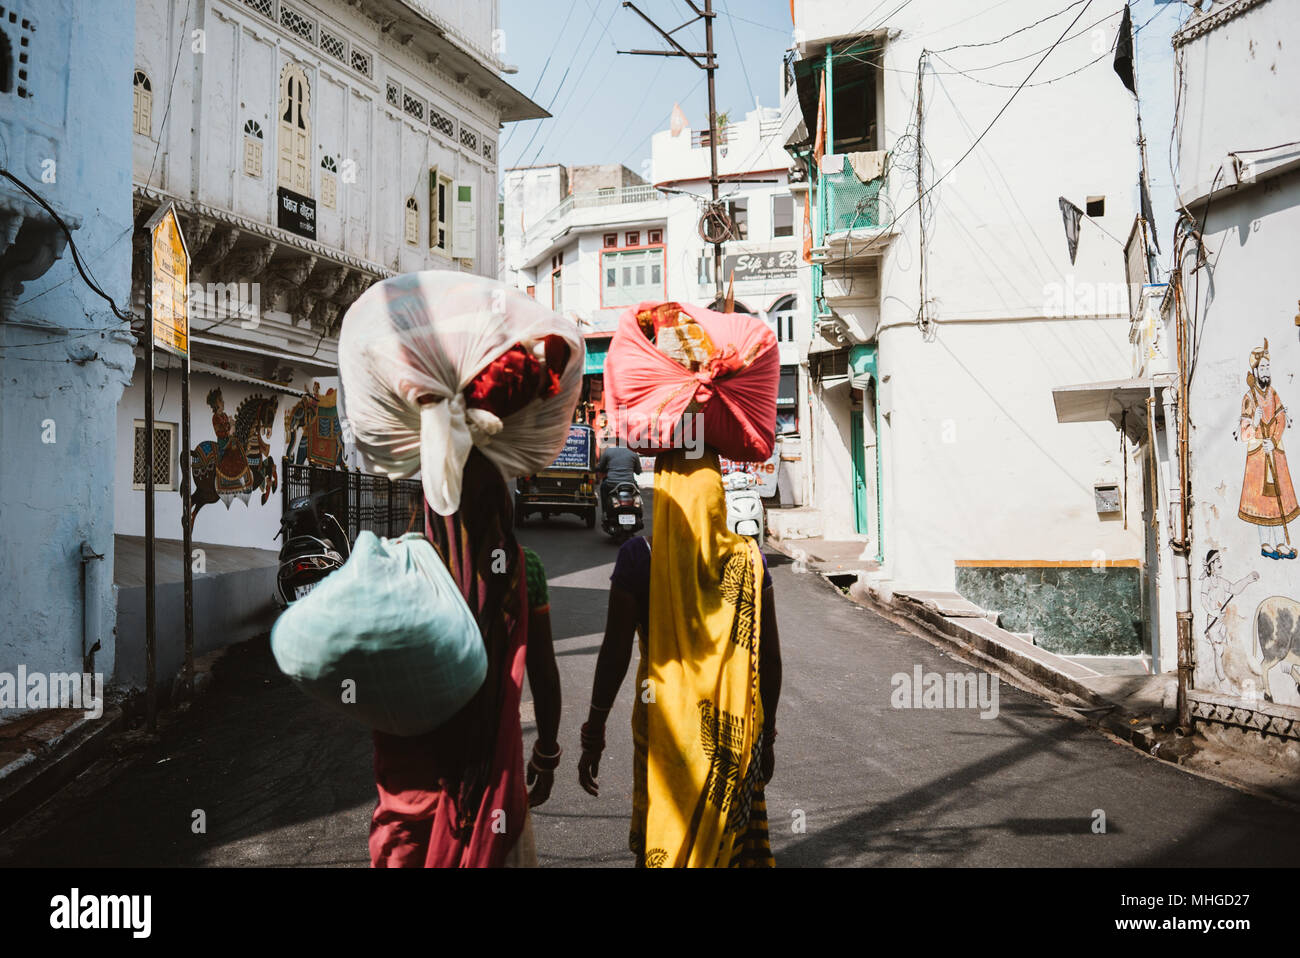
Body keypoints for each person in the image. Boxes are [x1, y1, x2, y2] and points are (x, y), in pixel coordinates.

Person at [368, 345, 566, 868]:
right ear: (502, 500)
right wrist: (546, 751)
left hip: (408, 808)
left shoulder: (404, 570)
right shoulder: (527, 572)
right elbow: (544, 677)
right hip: (494, 797)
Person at [578, 448, 781, 867]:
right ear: (717, 498)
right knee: (727, 845)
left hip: (664, 726)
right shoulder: (751, 562)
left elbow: (614, 653)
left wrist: (594, 730)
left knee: (663, 833)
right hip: (736, 728)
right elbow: (770, 660)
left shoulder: (640, 559)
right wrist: (768, 737)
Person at [596, 441, 642, 511]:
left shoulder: (608, 451)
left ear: (616, 441)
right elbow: (638, 472)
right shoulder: (633, 453)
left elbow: (600, 468)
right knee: (637, 493)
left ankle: (605, 512)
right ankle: (639, 512)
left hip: (611, 484)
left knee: (603, 487)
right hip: (629, 484)